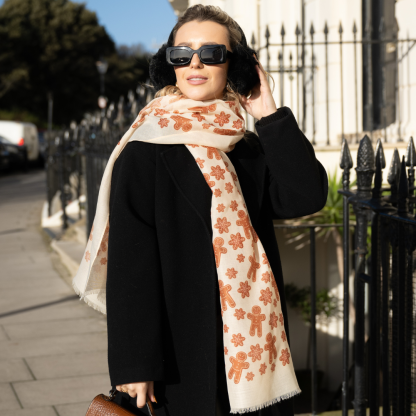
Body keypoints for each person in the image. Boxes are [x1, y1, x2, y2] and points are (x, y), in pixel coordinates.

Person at [72, 5, 328, 416]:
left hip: (249, 351)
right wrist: (135, 363)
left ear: (236, 66)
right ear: (167, 64)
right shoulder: (145, 150)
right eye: (181, 53)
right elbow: (131, 263)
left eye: (211, 53)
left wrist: (267, 113)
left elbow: (305, 197)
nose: (194, 62)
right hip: (178, 359)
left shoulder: (247, 148)